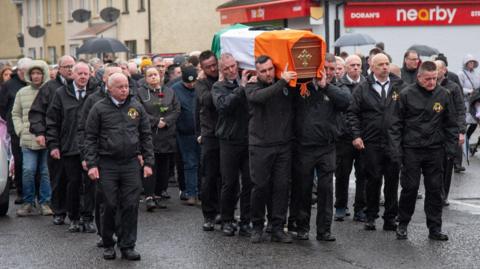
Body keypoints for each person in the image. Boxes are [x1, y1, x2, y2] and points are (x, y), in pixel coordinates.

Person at [84, 73, 154, 260]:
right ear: (110, 89)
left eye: (126, 86)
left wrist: (148, 162)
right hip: (107, 164)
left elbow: (146, 135)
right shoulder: (98, 108)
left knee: (131, 205)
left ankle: (128, 245)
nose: (125, 90)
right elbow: (89, 138)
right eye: (120, 87)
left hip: (131, 163)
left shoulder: (136, 107)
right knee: (110, 204)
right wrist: (91, 164)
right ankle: (108, 242)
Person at [390, 61, 458, 241]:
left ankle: (435, 228)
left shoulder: (443, 94)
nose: (431, 82)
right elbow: (395, 124)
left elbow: (451, 124)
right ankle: (402, 224)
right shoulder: (406, 94)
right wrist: (396, 150)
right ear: (419, 77)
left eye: (434, 79)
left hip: (435, 150)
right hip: (411, 149)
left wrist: (451, 149)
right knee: (410, 188)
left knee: (435, 190)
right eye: (427, 79)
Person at [292, 53, 352, 241]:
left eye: (333, 69)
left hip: (327, 147)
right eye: (326, 68)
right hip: (305, 146)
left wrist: (326, 86)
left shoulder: (338, 87)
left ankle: (324, 230)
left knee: (326, 190)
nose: (329, 72)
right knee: (304, 189)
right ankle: (302, 227)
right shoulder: (304, 86)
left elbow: (346, 102)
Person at [347, 53, 406, 232]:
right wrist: (356, 135)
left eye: (387, 63)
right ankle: (370, 216)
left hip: (393, 141)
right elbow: (352, 113)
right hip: (371, 142)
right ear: (371, 67)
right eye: (380, 64)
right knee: (372, 180)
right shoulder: (363, 88)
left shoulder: (399, 86)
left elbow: (407, 113)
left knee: (392, 181)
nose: (384, 67)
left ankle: (390, 218)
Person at [245, 55, 297, 243]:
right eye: (263, 71)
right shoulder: (252, 86)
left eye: (269, 69)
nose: (268, 74)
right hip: (260, 145)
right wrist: (282, 81)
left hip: (283, 145)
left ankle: (277, 227)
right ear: (256, 72)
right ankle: (257, 226)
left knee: (282, 188)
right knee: (260, 187)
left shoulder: (284, 85)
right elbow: (260, 97)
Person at [46, 62, 96, 233]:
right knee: (73, 183)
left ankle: (88, 218)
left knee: (90, 184)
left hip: (90, 147)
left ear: (90, 75)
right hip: (69, 146)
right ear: (72, 75)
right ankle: (74, 217)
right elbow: (52, 121)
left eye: (86, 74)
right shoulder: (61, 93)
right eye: (79, 73)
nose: (83, 77)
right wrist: (53, 144)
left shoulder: (95, 93)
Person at [77, 64, 123, 247]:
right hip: (100, 157)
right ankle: (104, 233)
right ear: (104, 79)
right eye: (112, 75)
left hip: (123, 157)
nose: (118, 79)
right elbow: (84, 130)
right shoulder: (93, 100)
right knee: (103, 198)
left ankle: (122, 233)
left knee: (122, 199)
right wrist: (86, 156)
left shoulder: (128, 100)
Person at [29, 55, 75, 225]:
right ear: (59, 69)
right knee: (58, 177)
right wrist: (40, 133)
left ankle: (76, 212)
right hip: (56, 138)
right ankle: (59, 211)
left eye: (72, 66)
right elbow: (36, 112)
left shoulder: (79, 87)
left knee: (76, 179)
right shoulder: (49, 88)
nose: (70, 69)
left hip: (76, 140)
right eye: (67, 66)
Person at [212, 53, 252, 237]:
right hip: (228, 141)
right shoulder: (218, 86)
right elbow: (224, 106)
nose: (231, 70)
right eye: (226, 67)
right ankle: (227, 220)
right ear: (221, 70)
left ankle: (246, 221)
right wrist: (241, 88)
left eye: (233, 66)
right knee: (230, 183)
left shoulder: (248, 81)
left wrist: (246, 85)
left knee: (250, 183)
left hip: (249, 139)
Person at [12, 60, 53, 216]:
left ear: (44, 75)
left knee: (45, 171)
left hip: (46, 139)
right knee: (28, 170)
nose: (36, 76)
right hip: (28, 139)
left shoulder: (50, 91)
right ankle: (28, 202)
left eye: (39, 73)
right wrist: (21, 130)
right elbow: (15, 113)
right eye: (33, 73)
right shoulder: (22, 93)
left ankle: (45, 202)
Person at [137, 66, 180, 211]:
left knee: (164, 169)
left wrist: (166, 121)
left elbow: (176, 109)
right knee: (150, 166)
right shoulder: (140, 93)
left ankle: (158, 194)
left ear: (160, 76)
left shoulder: (169, 92)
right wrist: (156, 122)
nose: (153, 77)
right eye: (150, 75)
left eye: (155, 74)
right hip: (149, 136)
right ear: (146, 78)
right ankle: (149, 196)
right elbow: (139, 110)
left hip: (167, 136)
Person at [334, 54, 367, 222]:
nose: (355, 67)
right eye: (352, 65)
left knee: (363, 174)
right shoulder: (339, 85)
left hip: (364, 137)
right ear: (346, 68)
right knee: (342, 173)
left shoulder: (367, 85)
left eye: (358, 65)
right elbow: (344, 112)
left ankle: (360, 208)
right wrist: (351, 134)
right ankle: (340, 206)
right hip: (344, 137)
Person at [195, 50, 221, 231]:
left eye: (214, 64)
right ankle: (209, 215)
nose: (213, 69)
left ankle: (223, 212)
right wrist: (218, 85)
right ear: (202, 69)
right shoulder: (201, 83)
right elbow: (205, 101)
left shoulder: (225, 75)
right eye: (208, 67)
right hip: (210, 134)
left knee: (227, 177)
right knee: (209, 176)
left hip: (227, 134)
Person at [0, 57, 32, 204]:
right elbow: (2, 106)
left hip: (34, 129)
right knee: (19, 162)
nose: (29, 74)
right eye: (25, 71)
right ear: (19, 71)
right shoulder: (8, 85)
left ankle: (35, 193)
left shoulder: (34, 83)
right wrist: (11, 122)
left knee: (35, 164)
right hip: (16, 130)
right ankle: (21, 192)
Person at [435, 60, 465, 206]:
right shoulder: (429, 86)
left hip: (449, 132)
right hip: (433, 132)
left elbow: (460, 109)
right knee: (434, 165)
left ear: (444, 70)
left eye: (438, 69)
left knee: (447, 165)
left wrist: (461, 131)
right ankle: (434, 192)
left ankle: (443, 195)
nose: (435, 71)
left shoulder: (453, 88)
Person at [172, 65, 200, 205]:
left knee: (202, 163)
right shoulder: (175, 89)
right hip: (184, 133)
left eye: (193, 82)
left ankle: (200, 192)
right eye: (188, 82)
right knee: (189, 163)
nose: (191, 85)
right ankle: (191, 193)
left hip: (200, 132)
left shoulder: (200, 87)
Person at [457, 54, 480, 145]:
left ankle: (467, 137)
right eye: (469, 62)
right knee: (464, 122)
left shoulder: (476, 74)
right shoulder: (460, 74)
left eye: (473, 62)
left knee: (474, 122)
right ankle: (461, 139)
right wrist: (469, 91)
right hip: (465, 101)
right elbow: (458, 88)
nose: (471, 64)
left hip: (474, 101)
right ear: (465, 63)